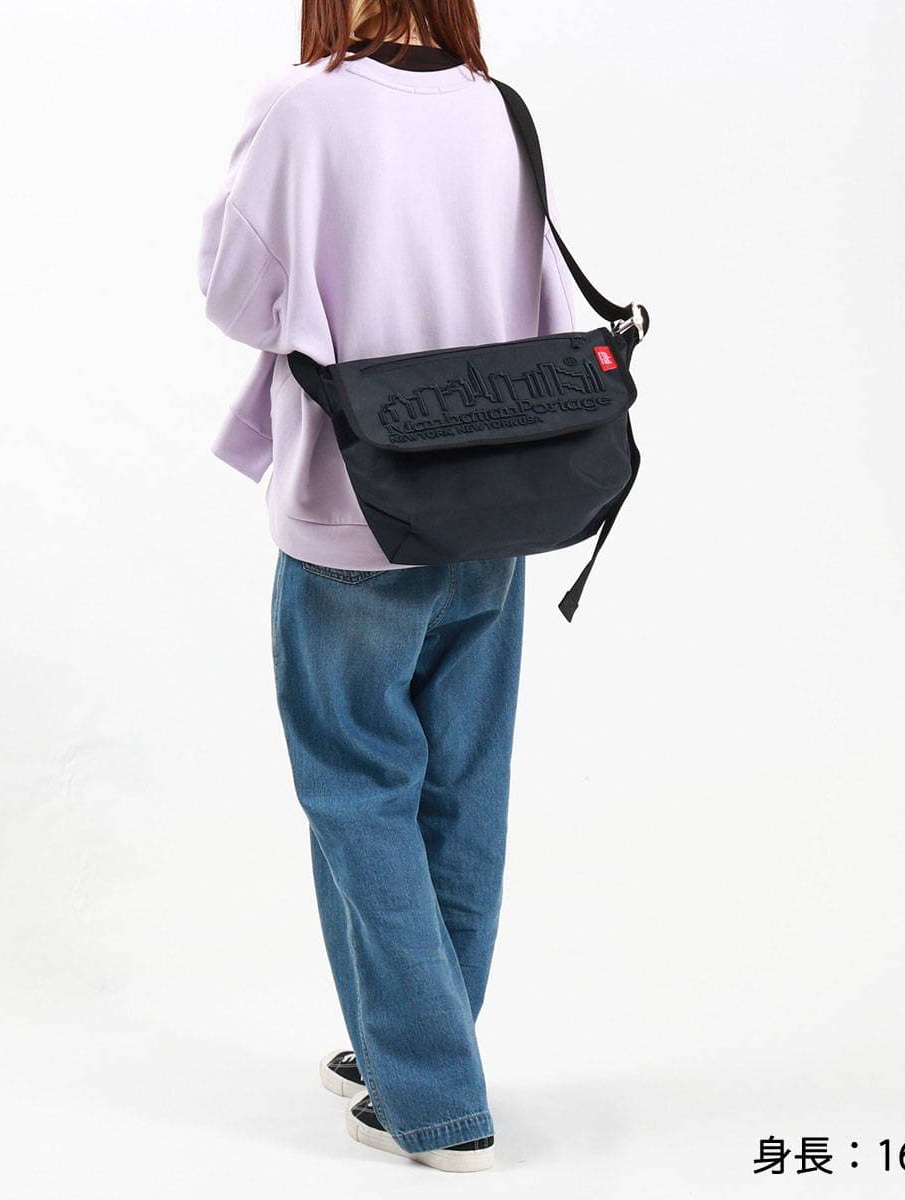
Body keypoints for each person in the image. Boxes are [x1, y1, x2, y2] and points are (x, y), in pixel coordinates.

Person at [197, 0, 576, 1173]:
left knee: (360, 789)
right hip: (495, 501)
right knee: (463, 786)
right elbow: (541, 302)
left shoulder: (301, 107)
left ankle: (435, 1096)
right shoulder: (499, 108)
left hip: (356, 506)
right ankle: (419, 1044)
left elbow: (235, 294)